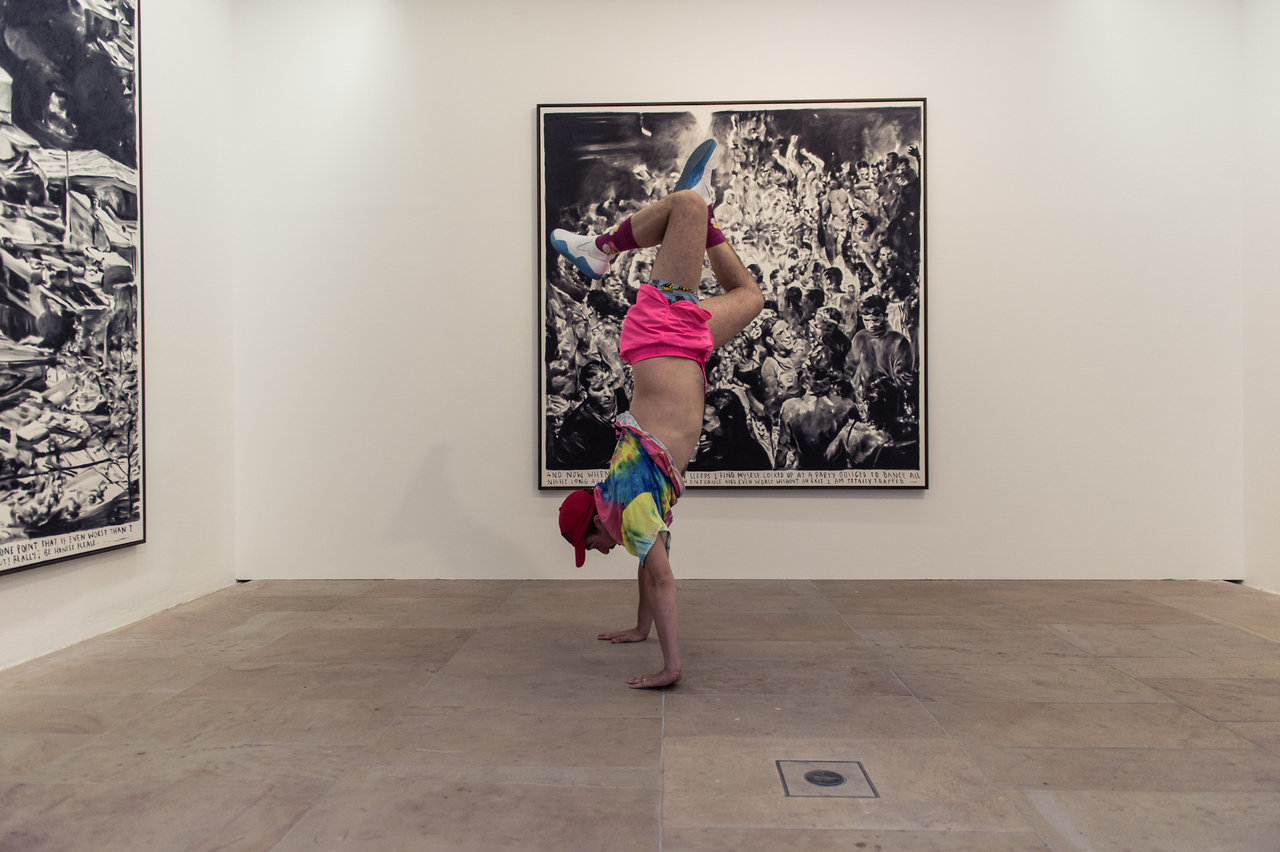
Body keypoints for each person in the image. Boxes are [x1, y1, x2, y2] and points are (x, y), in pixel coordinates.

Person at [551, 140, 764, 689]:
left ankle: (600, 250)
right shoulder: (624, 509)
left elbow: (662, 580)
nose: (596, 552)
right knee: (749, 296)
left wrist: (671, 668)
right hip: (683, 347)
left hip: (662, 339)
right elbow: (649, 565)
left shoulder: (627, 510)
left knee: (683, 209)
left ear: (595, 524)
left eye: (588, 546)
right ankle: (708, 213)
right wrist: (639, 629)